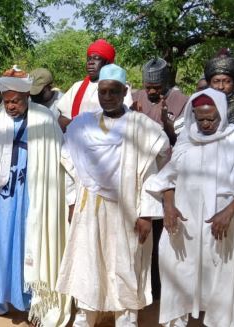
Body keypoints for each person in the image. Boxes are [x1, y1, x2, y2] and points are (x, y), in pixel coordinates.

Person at [56, 64, 169, 326]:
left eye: (113, 91)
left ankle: (126, 321)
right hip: (89, 209)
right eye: (103, 91)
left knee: (126, 267)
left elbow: (151, 174)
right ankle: (86, 319)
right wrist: (72, 202)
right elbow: (70, 166)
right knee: (88, 264)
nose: (107, 97)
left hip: (128, 210)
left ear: (124, 91)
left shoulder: (142, 128)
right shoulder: (82, 126)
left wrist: (147, 215)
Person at [0, 67, 70, 326]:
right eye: (8, 101)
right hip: (1, 196)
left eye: (16, 101)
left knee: (29, 244)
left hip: (33, 195)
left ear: (26, 98)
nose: (11, 106)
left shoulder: (44, 119)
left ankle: (33, 305)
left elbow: (59, 156)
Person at [145, 88, 234, 327]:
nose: (206, 124)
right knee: (180, 272)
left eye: (212, 118)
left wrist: (228, 212)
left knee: (220, 278)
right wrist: (168, 206)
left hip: (223, 224)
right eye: (200, 119)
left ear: (222, 114)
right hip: (185, 224)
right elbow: (167, 179)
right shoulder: (185, 140)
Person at [55, 39, 133, 131]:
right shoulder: (77, 86)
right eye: (89, 58)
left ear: (107, 63)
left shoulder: (118, 87)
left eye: (96, 58)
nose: (90, 62)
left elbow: (122, 119)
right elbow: (63, 118)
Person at [132, 58, 188, 145]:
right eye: (148, 87)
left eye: (157, 87)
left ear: (166, 82)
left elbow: (179, 140)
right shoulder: (135, 98)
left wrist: (166, 121)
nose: (152, 91)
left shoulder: (182, 101)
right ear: (143, 83)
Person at [203, 49, 234, 131]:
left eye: (227, 81)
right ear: (209, 84)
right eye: (216, 81)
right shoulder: (198, 109)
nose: (221, 87)